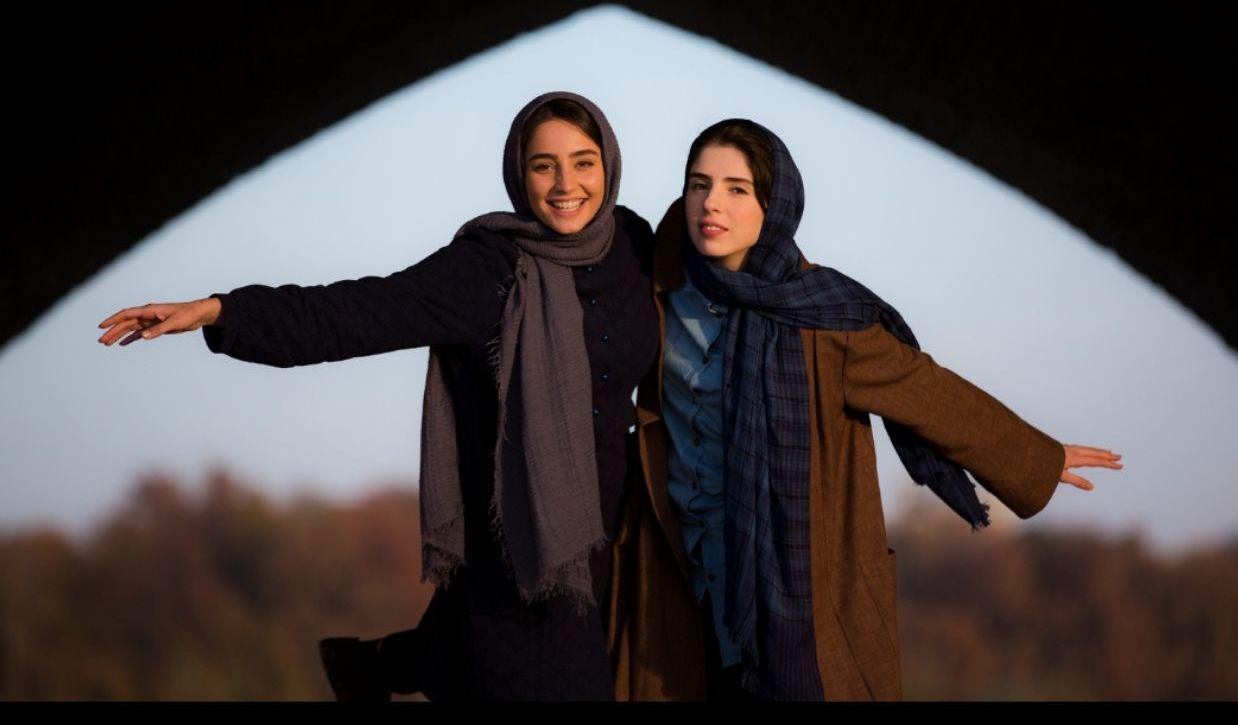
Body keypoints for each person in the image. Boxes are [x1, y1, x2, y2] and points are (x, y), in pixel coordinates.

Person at [98, 91, 660, 701]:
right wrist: (221, 312)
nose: (566, 185)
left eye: (583, 162)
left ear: (609, 164)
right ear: (518, 175)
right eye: (543, 165)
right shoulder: (489, 269)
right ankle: (407, 660)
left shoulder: (633, 246)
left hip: (614, 551)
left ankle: (393, 662)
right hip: (517, 567)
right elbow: (357, 313)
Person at [605, 119, 1123, 701]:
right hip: (678, 578)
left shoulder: (821, 315)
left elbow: (923, 388)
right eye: (699, 185)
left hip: (792, 587)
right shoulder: (658, 289)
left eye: (737, 188)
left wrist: (1037, 457)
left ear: (773, 205)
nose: (711, 204)